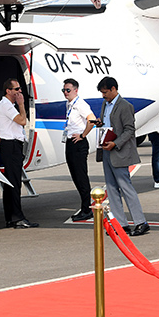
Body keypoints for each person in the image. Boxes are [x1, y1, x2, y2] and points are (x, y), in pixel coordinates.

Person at [97, 76, 149, 236]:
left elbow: (129, 130)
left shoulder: (125, 106)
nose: (103, 96)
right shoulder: (106, 104)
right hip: (107, 150)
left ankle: (141, 222)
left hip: (119, 151)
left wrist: (116, 143)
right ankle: (121, 224)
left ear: (114, 89)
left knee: (125, 187)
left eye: (105, 92)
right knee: (111, 188)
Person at [0, 78, 38, 229]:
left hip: (8, 145)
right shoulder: (7, 106)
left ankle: (10, 217)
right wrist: (22, 104)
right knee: (14, 183)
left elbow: (0, 127)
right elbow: (22, 121)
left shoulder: (3, 105)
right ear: (8, 91)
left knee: (9, 183)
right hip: (11, 146)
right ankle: (18, 218)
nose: (20, 91)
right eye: (17, 89)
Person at [61, 78, 97, 222]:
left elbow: (92, 119)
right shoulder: (69, 104)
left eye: (68, 90)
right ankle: (85, 207)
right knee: (75, 176)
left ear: (76, 90)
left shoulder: (80, 104)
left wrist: (83, 135)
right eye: (63, 90)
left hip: (78, 144)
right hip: (70, 142)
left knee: (81, 176)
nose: (65, 93)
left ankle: (86, 209)